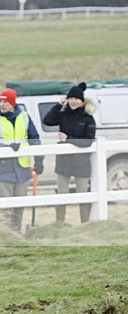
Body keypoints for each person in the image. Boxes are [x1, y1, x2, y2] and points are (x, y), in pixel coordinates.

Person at [0, 88, 44, 231]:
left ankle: (16, 233)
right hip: (4, 167)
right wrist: (7, 146)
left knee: (20, 204)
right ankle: (5, 233)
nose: (2, 104)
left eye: (5, 101)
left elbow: (34, 139)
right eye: (1, 101)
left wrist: (39, 161)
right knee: (6, 206)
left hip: (22, 168)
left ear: (12, 103)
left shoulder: (24, 117)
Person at [42, 82, 97, 223]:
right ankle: (60, 223)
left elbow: (88, 141)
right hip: (63, 161)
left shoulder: (88, 118)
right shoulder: (63, 115)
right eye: (71, 98)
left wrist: (69, 139)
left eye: (76, 99)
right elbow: (47, 121)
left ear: (82, 101)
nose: (73, 101)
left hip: (81, 162)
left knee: (83, 194)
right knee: (61, 193)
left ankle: (85, 223)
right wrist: (58, 105)